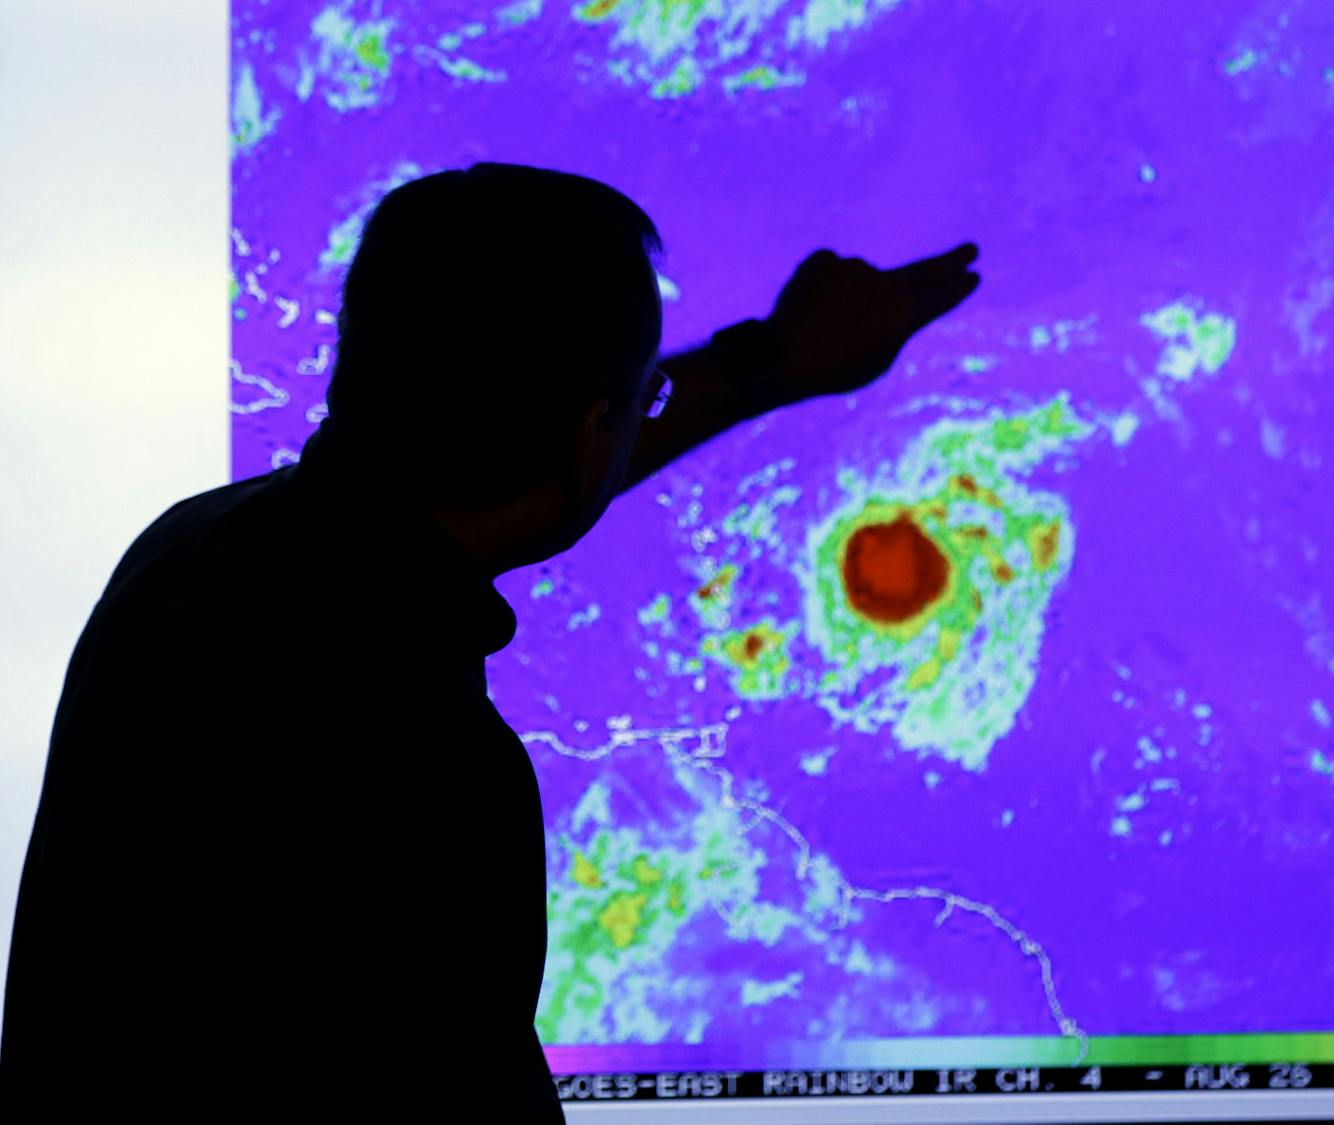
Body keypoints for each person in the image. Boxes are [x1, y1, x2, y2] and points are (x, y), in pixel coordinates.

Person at [0, 162, 979, 1117]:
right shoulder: (430, 769)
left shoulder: (191, 553)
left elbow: (516, 458)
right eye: (636, 401)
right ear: (597, 425)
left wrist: (774, 360)